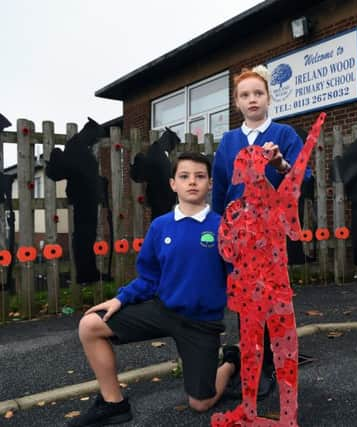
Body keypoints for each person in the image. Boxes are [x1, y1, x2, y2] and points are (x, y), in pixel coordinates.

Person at [68, 152, 236, 427]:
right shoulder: (160, 227)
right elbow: (148, 277)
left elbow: (237, 275)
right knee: (89, 326)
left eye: (200, 176)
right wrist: (120, 299)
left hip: (200, 322)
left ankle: (230, 364)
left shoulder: (224, 227)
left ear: (210, 184)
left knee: (200, 403)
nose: (192, 182)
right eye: (184, 176)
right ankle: (114, 403)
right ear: (173, 184)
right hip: (163, 309)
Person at [212, 65, 310, 399]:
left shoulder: (284, 135)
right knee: (244, 304)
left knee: (269, 304)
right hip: (240, 237)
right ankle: (250, 364)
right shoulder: (228, 142)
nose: (252, 99)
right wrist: (217, 232)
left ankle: (268, 366)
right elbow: (221, 191)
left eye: (258, 93)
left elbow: (303, 180)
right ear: (237, 103)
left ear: (268, 97)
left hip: (271, 236)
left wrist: (280, 165)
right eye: (244, 95)